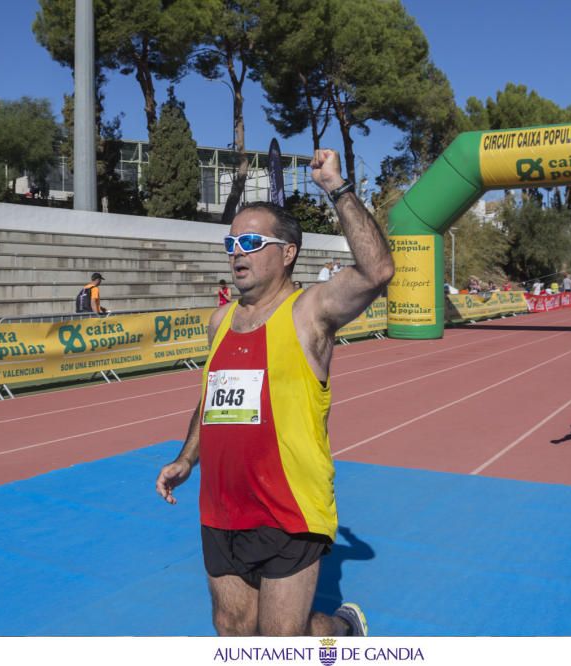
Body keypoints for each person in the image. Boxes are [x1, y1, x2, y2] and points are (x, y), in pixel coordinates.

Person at [155, 148, 394, 636]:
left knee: (279, 645)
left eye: (249, 240)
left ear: (287, 253)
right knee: (233, 631)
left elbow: (377, 272)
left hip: (289, 507)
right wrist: (186, 459)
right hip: (221, 505)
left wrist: (337, 188)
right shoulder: (220, 321)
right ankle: (333, 632)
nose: (236, 251)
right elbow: (212, 401)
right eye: (231, 241)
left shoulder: (310, 312)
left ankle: (343, 632)